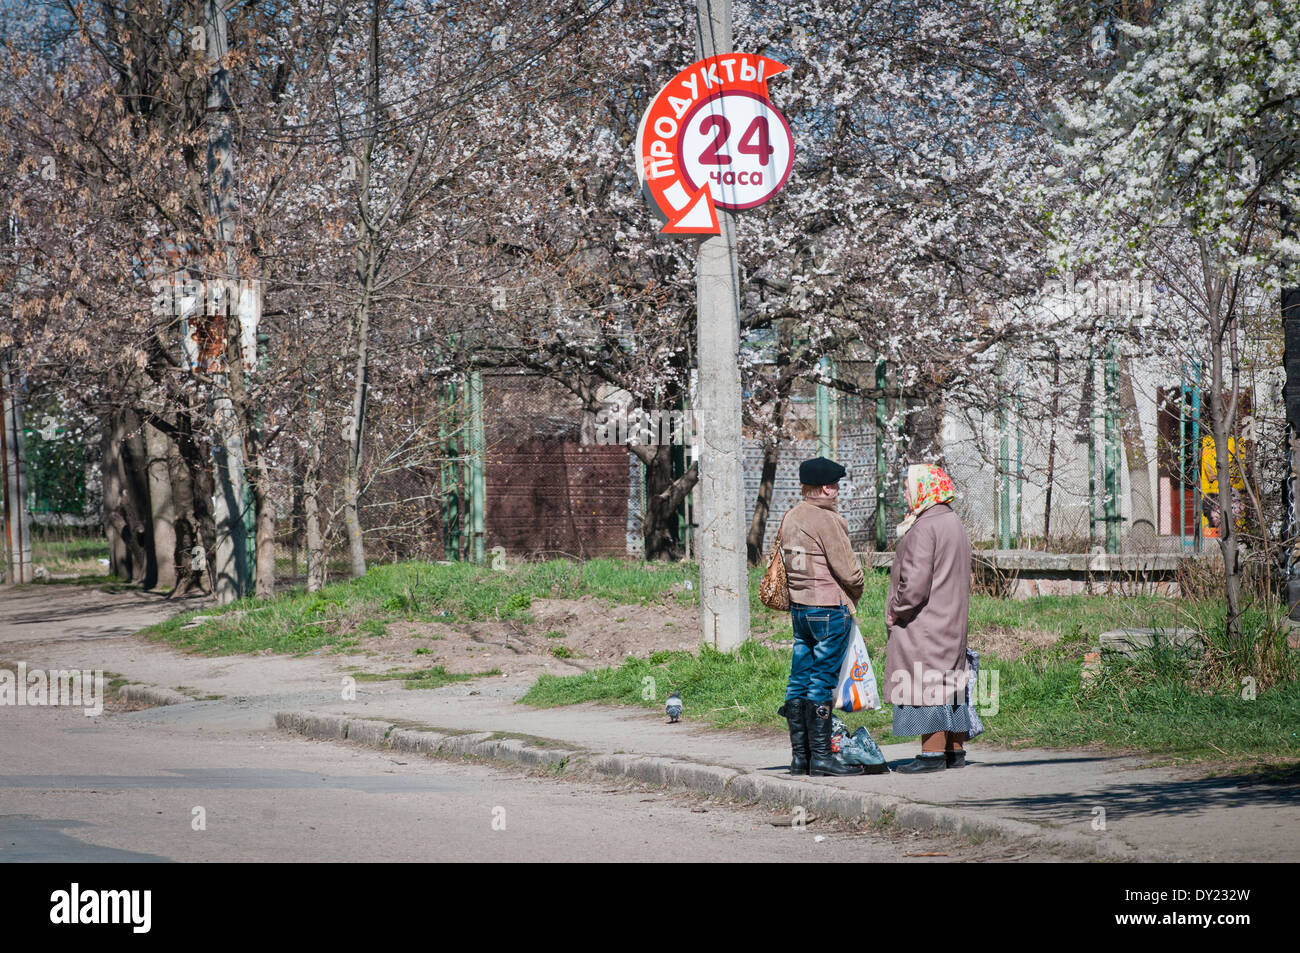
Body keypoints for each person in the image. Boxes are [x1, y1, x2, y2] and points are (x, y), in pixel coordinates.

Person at [774, 456, 865, 777]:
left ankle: (801, 758)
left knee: (799, 678)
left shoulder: (790, 517)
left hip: (800, 609)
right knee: (822, 682)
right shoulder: (826, 519)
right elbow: (848, 570)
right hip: (828, 608)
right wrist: (859, 586)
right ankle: (823, 758)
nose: (838, 490)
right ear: (826, 488)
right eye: (836, 485)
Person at [884, 463, 972, 773]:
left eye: (908, 487)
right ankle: (954, 750)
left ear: (925, 489)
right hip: (951, 618)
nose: (904, 493)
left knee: (924, 682)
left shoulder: (924, 527)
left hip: (925, 622)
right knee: (951, 680)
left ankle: (931, 754)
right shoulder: (952, 521)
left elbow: (916, 586)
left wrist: (896, 609)